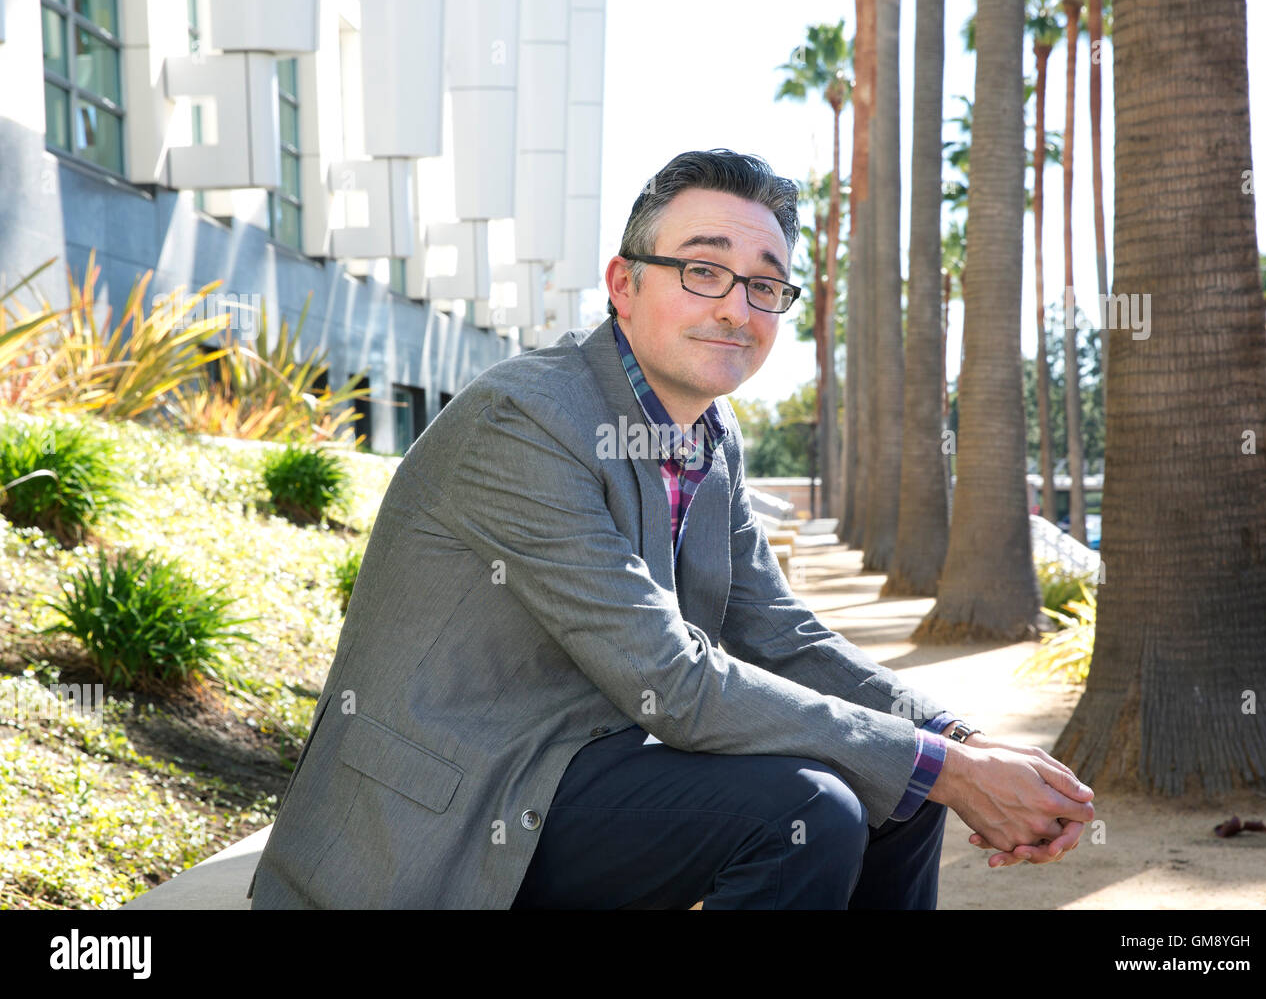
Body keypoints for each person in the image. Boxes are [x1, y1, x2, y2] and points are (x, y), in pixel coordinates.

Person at [248, 148, 1094, 910]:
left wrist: (957, 742)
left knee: (897, 795)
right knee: (817, 809)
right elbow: (675, 679)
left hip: (571, 769)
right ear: (624, 284)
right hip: (441, 817)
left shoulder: (709, 436)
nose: (736, 307)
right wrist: (948, 767)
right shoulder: (524, 421)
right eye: (703, 270)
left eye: (765, 284)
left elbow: (781, 635)